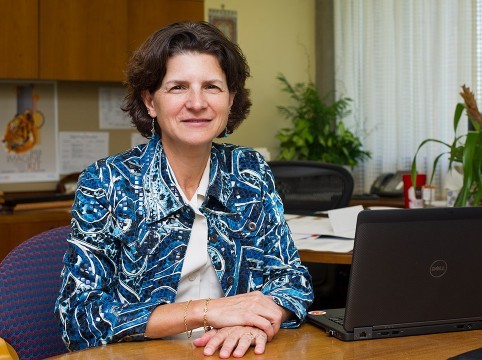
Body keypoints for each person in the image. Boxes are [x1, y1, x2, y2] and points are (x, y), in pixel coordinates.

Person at [54, 21, 313, 358]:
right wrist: (209, 311)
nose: (197, 102)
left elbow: (292, 280)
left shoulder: (248, 171)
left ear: (231, 100)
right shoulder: (107, 182)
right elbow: (78, 319)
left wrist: (253, 320)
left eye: (212, 87)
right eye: (177, 87)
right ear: (150, 101)